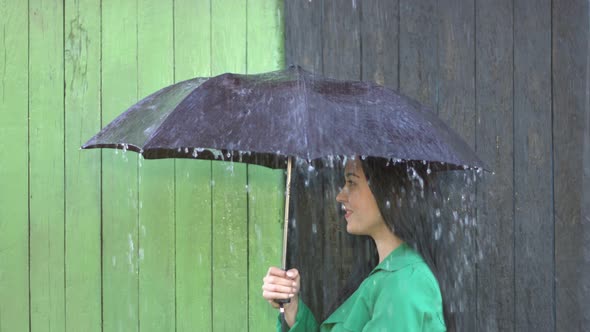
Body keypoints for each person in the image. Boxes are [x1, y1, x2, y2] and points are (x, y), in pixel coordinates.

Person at [262, 156, 448, 331]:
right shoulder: (387, 276)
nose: (340, 196)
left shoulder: (404, 284)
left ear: (391, 190)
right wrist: (292, 308)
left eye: (351, 182)